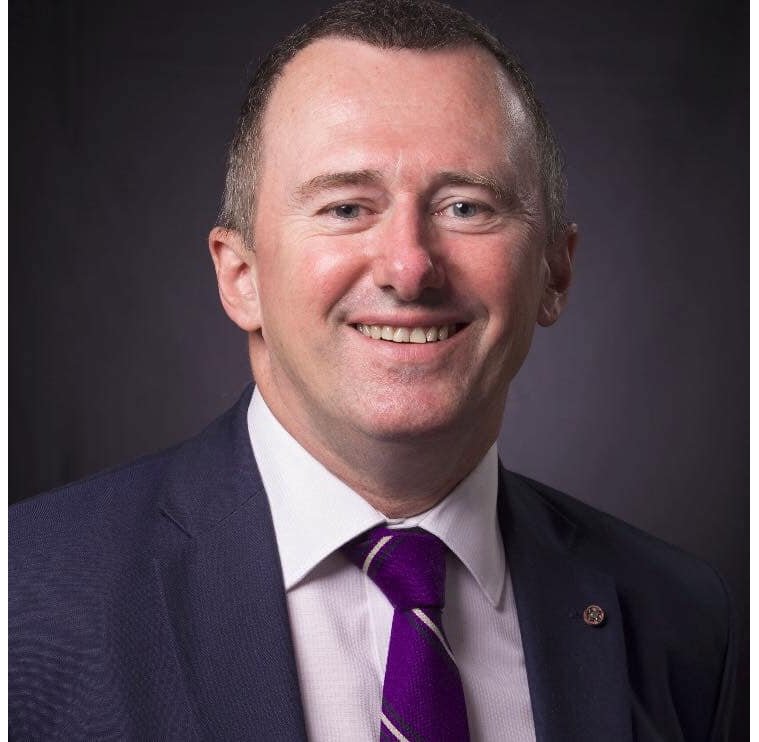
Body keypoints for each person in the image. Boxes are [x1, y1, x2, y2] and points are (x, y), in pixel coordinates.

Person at [9, 1, 735, 740]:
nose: (409, 267)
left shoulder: (679, 618)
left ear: (554, 272)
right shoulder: (25, 602)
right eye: (346, 207)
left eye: (465, 206)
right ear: (240, 276)